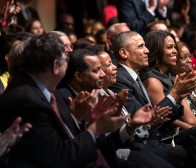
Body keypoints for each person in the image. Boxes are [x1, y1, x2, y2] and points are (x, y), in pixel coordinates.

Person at [0, 33, 129, 167]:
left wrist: (79, 118)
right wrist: (95, 129)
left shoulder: (47, 91)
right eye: (66, 60)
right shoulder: (27, 100)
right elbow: (59, 157)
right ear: (56, 66)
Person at [109, 31, 196, 168]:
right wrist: (174, 94)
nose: (147, 50)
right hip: (141, 144)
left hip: (156, 137)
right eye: (141, 46)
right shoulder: (121, 79)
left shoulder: (134, 77)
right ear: (124, 53)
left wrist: (178, 98)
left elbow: (162, 117)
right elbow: (143, 118)